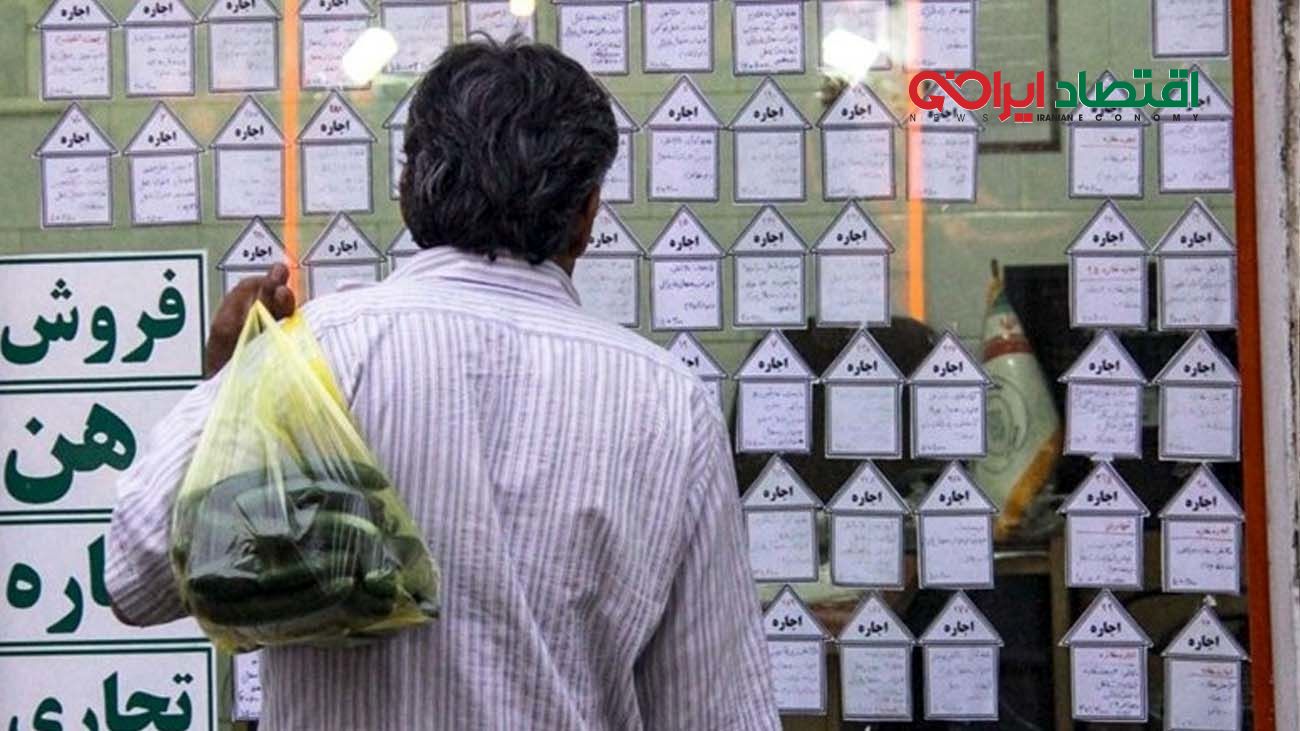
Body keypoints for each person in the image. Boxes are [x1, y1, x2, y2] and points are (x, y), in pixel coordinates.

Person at [106, 40, 780, 730]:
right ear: (587, 215)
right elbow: (716, 712)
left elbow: (135, 575)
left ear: (409, 191)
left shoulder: (316, 358)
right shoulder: (669, 407)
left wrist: (234, 390)